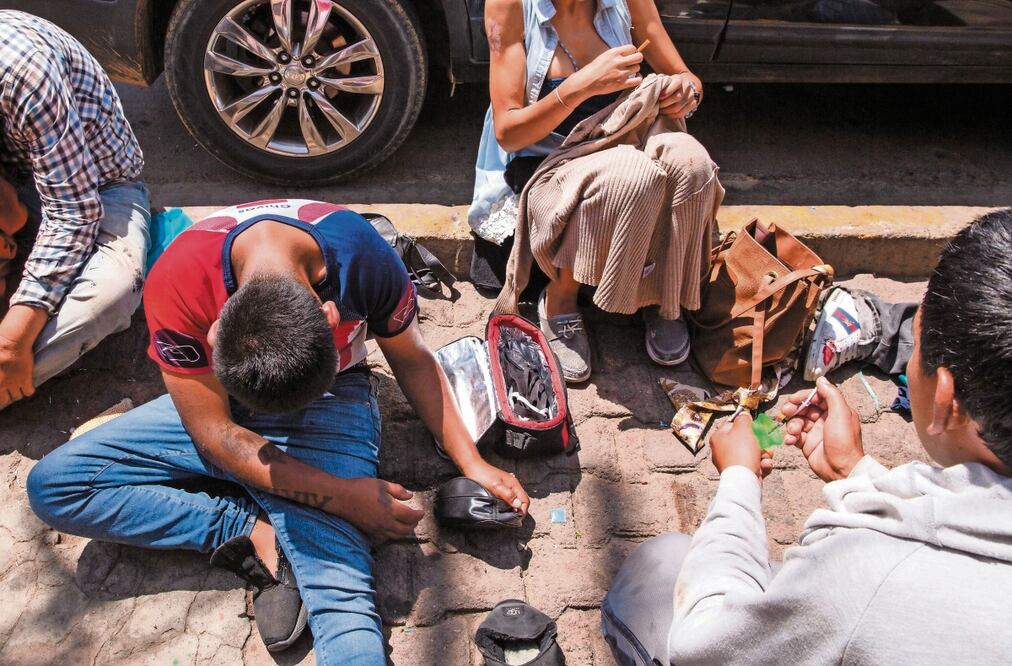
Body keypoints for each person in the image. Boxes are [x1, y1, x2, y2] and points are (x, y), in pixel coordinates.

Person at [25, 200, 530, 663]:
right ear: (216, 332)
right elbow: (215, 434)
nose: (284, 432)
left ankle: (275, 516)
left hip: (335, 402)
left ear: (329, 313)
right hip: (218, 409)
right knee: (55, 485)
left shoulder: (365, 259)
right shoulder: (177, 281)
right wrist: (342, 496)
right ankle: (244, 528)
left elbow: (413, 361)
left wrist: (472, 462)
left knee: (346, 616)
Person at [600, 208, 1012, 665]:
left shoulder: (866, 569)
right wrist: (854, 473)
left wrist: (739, 478)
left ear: (945, 400)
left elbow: (704, 645)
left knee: (659, 565)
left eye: (916, 345)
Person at [469, 0, 723, 383]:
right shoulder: (510, 7)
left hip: (622, 138)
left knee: (691, 162)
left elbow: (687, 76)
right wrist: (581, 86)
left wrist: (685, 92)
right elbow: (509, 131)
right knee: (631, 176)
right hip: (549, 159)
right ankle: (560, 298)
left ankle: (661, 295)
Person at [0, 11, 150, 408]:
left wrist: (14, 337)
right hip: (16, 191)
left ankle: (11, 370)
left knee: (106, 297)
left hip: (99, 193)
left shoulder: (21, 71)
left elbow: (74, 213)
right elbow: (11, 213)